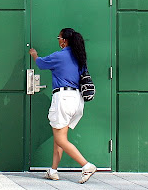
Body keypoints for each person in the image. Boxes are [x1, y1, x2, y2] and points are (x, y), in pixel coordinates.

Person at [29, 27, 97, 184]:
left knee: (60, 139)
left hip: (63, 99)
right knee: (59, 137)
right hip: (76, 100)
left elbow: (41, 63)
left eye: (59, 38)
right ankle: (53, 171)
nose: (58, 40)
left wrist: (34, 55)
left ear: (64, 41)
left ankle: (86, 165)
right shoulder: (79, 57)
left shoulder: (60, 56)